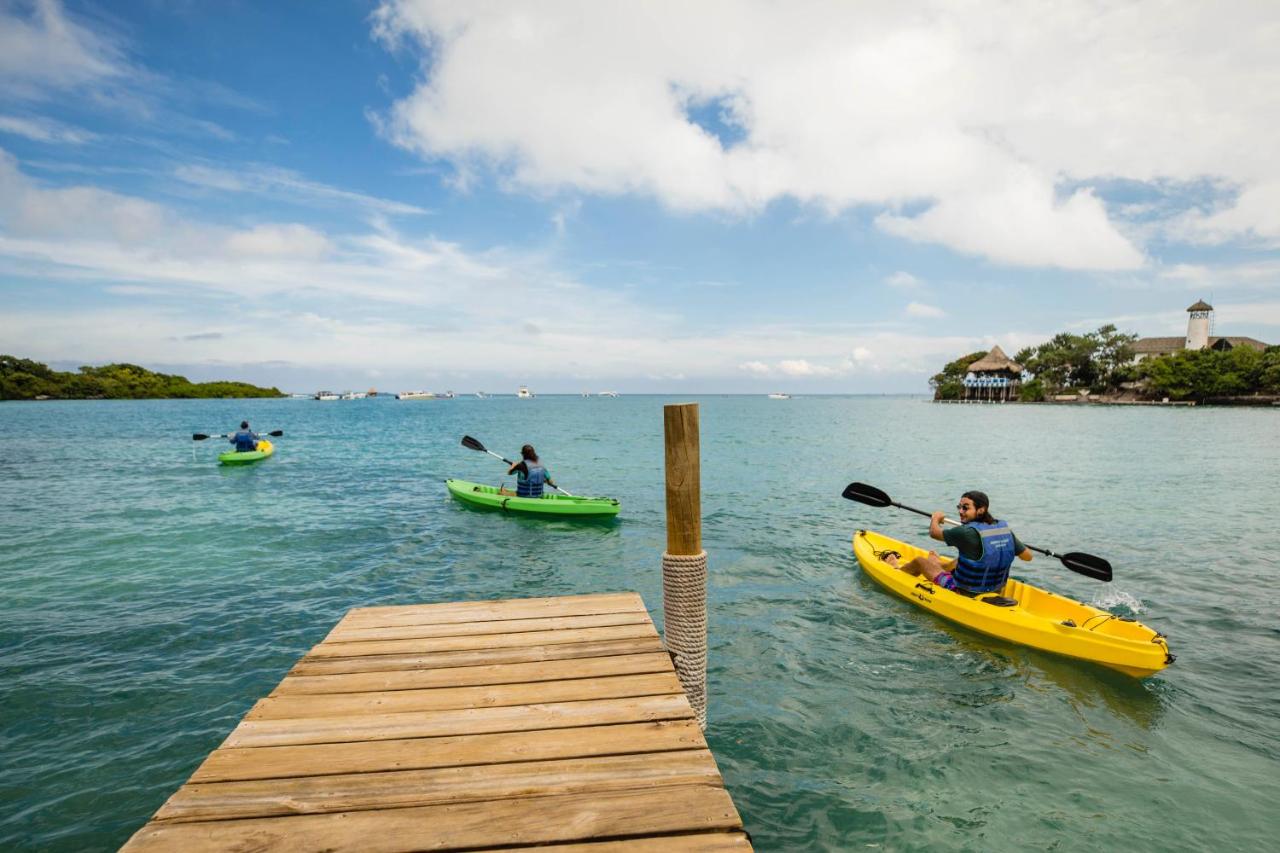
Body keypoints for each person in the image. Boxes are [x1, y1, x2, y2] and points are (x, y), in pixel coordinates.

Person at [884, 490, 1032, 593]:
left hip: (963, 590)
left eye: (965, 508)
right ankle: (939, 564)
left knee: (919, 561)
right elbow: (1027, 557)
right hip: (996, 588)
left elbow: (934, 533)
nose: (960, 511)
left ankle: (896, 570)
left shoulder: (966, 532)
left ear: (981, 510)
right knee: (973, 556)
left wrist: (936, 518)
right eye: (959, 507)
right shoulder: (1004, 530)